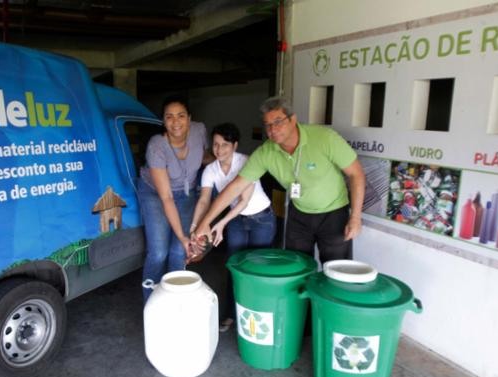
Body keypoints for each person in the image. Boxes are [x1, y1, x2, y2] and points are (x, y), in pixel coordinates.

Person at [194, 96, 365, 264]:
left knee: (336, 268)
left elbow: (356, 174)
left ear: (293, 119)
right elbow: (235, 187)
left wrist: (355, 217)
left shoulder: (324, 138)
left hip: (333, 213)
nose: (272, 130)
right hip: (299, 213)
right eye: (268, 125)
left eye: (278, 122)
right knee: (297, 267)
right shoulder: (266, 152)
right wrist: (205, 222)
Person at [190, 122, 276, 331]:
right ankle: (231, 314)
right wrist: (195, 227)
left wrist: (219, 224)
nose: (219, 150)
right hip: (236, 220)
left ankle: (257, 314)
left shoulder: (247, 162)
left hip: (261, 219)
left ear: (235, 145)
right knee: (234, 265)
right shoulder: (210, 170)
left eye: (225, 145)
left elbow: (244, 201)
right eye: (216, 145)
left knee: (257, 268)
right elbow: (204, 201)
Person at [138, 94, 210, 301]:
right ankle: (150, 305)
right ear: (163, 120)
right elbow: (167, 197)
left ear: (189, 118)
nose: (175, 122)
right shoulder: (157, 146)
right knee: (159, 252)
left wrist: (226, 164)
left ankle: (174, 303)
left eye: (180, 116)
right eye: (169, 117)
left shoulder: (199, 131)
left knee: (180, 252)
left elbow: (204, 156)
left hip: (186, 192)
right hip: (156, 193)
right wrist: (182, 235)